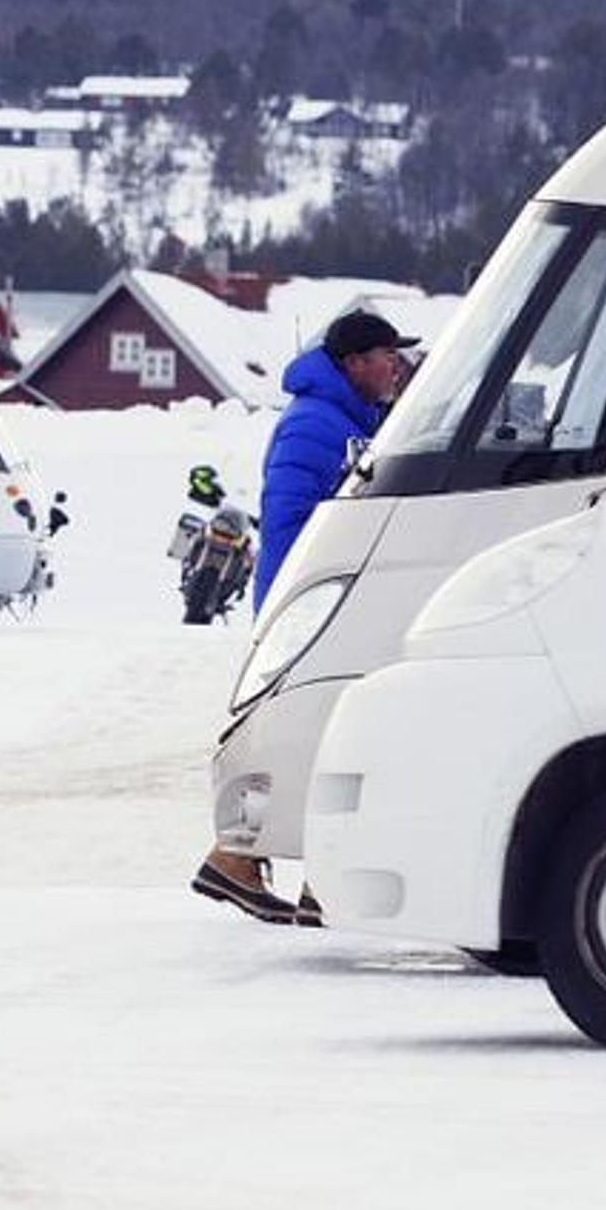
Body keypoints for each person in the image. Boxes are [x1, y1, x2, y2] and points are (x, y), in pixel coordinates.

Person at [192, 308, 417, 925]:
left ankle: (292, 871)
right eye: (383, 355)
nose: (395, 364)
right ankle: (244, 859)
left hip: (329, 600)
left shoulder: (353, 418)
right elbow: (292, 522)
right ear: (352, 364)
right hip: (312, 604)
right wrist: (310, 600)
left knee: (326, 738)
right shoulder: (314, 426)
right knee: (312, 739)